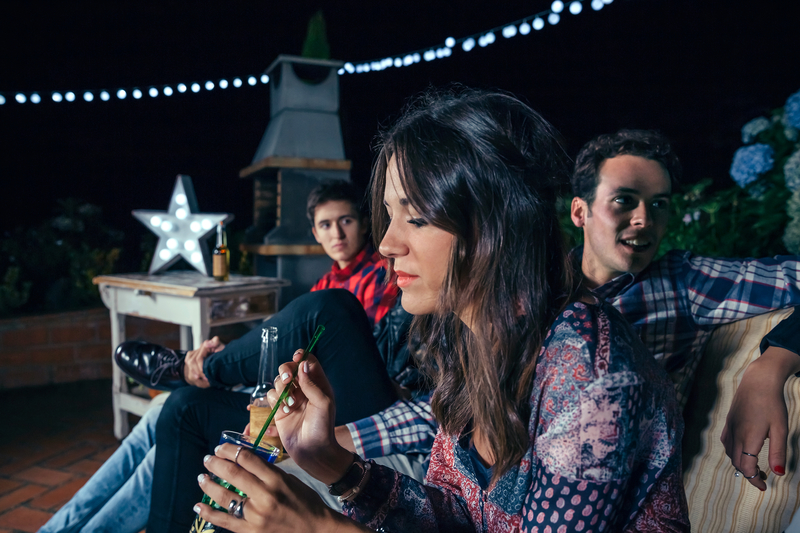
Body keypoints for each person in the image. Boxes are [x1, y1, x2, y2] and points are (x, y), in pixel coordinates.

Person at [195, 89, 690, 532]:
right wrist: (331, 464)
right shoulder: (470, 338)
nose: (387, 243)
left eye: (417, 217)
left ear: (496, 225)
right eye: (389, 216)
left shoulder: (588, 372)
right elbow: (456, 516)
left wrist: (315, 527)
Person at [37, 180, 403, 533]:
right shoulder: (325, 282)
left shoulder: (382, 276)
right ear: (315, 233)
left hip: (343, 401)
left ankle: (194, 368)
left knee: (184, 407)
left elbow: (371, 359)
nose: (337, 233)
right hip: (304, 394)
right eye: (326, 225)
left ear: (363, 223)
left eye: (346, 221)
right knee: (164, 412)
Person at [568, 129, 800, 492]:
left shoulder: (682, 283)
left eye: (659, 203)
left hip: (619, 502)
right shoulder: (537, 289)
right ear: (580, 211)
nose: (644, 218)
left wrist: (775, 362)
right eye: (624, 200)